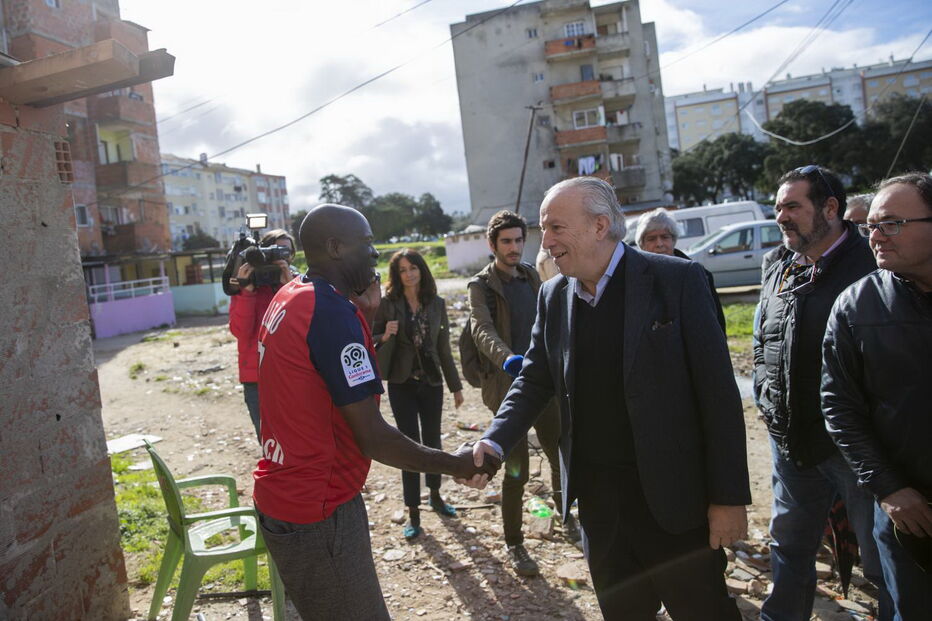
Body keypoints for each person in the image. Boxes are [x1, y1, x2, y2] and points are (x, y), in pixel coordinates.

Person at [461, 177, 751, 619]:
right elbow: (535, 379)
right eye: (545, 230)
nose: (547, 242)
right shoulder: (554, 296)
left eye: (556, 228)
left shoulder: (677, 280)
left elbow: (718, 395)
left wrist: (728, 498)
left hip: (674, 504)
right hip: (600, 508)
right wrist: (495, 439)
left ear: (599, 226)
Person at [252, 204, 498, 621]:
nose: (374, 255)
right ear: (335, 247)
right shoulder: (329, 313)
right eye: (367, 244)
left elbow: (318, 377)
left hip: (290, 495)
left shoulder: (294, 295)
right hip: (318, 509)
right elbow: (373, 435)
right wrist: (454, 464)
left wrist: (362, 315)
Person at [754, 165, 890, 620]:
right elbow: (762, 343)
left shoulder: (872, 266)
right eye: (777, 207)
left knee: (879, 556)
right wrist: (767, 399)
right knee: (790, 544)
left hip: (855, 445)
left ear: (830, 209)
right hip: (792, 441)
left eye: (793, 206)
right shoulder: (778, 266)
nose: (782, 217)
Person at [822, 172, 932, 621]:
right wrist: (889, 489)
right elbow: (840, 408)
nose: (876, 236)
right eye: (871, 226)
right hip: (908, 517)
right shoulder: (856, 307)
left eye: (892, 224)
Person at [468, 210, 576, 577]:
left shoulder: (532, 276)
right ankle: (515, 543)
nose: (514, 248)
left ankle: (566, 517)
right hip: (509, 386)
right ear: (492, 245)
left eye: (518, 240)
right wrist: (508, 359)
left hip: (545, 382)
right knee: (516, 470)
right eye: (506, 242)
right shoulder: (480, 286)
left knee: (560, 451)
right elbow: (481, 330)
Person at [373, 249, 464, 539]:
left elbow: (444, 348)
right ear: (396, 275)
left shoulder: (436, 303)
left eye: (413, 267)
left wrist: (455, 386)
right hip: (401, 384)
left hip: (431, 382)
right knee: (408, 446)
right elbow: (370, 339)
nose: (409, 274)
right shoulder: (388, 304)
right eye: (403, 270)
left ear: (422, 270)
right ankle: (413, 511)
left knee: (433, 440)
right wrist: (385, 335)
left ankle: (436, 496)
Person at [228, 229, 298, 441]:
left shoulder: (298, 283)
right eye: (275, 251)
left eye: (285, 253)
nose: (280, 257)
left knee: (298, 438)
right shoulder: (245, 286)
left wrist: (289, 288)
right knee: (269, 442)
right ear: (261, 253)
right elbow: (240, 332)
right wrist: (247, 292)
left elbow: (301, 328)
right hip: (256, 379)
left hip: (292, 373)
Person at [635, 208, 726, 332]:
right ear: (642, 245)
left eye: (665, 237)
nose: (659, 244)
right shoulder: (634, 279)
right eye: (651, 239)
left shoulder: (698, 274)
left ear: (673, 240)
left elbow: (716, 324)